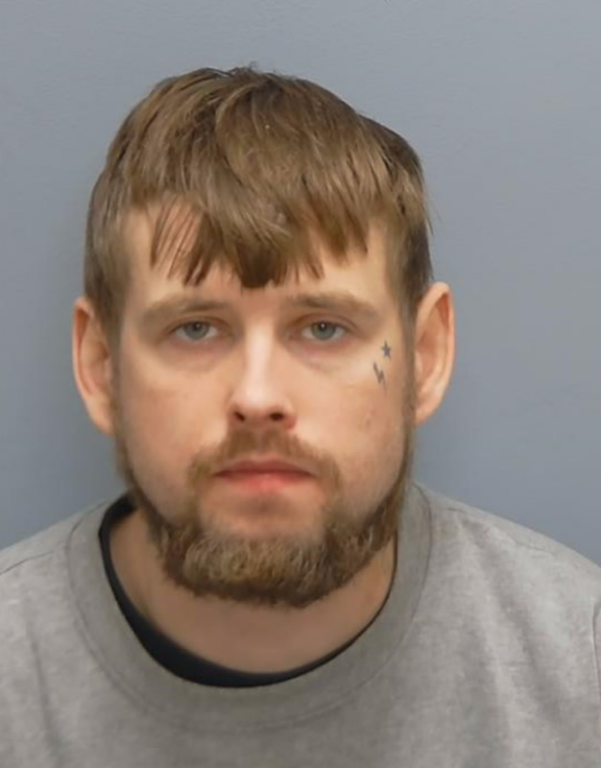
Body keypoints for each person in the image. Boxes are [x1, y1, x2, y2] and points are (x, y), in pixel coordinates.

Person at [1, 66, 600, 768]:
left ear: (426, 357)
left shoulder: (579, 662)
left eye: (323, 328)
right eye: (195, 329)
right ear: (101, 366)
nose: (258, 397)